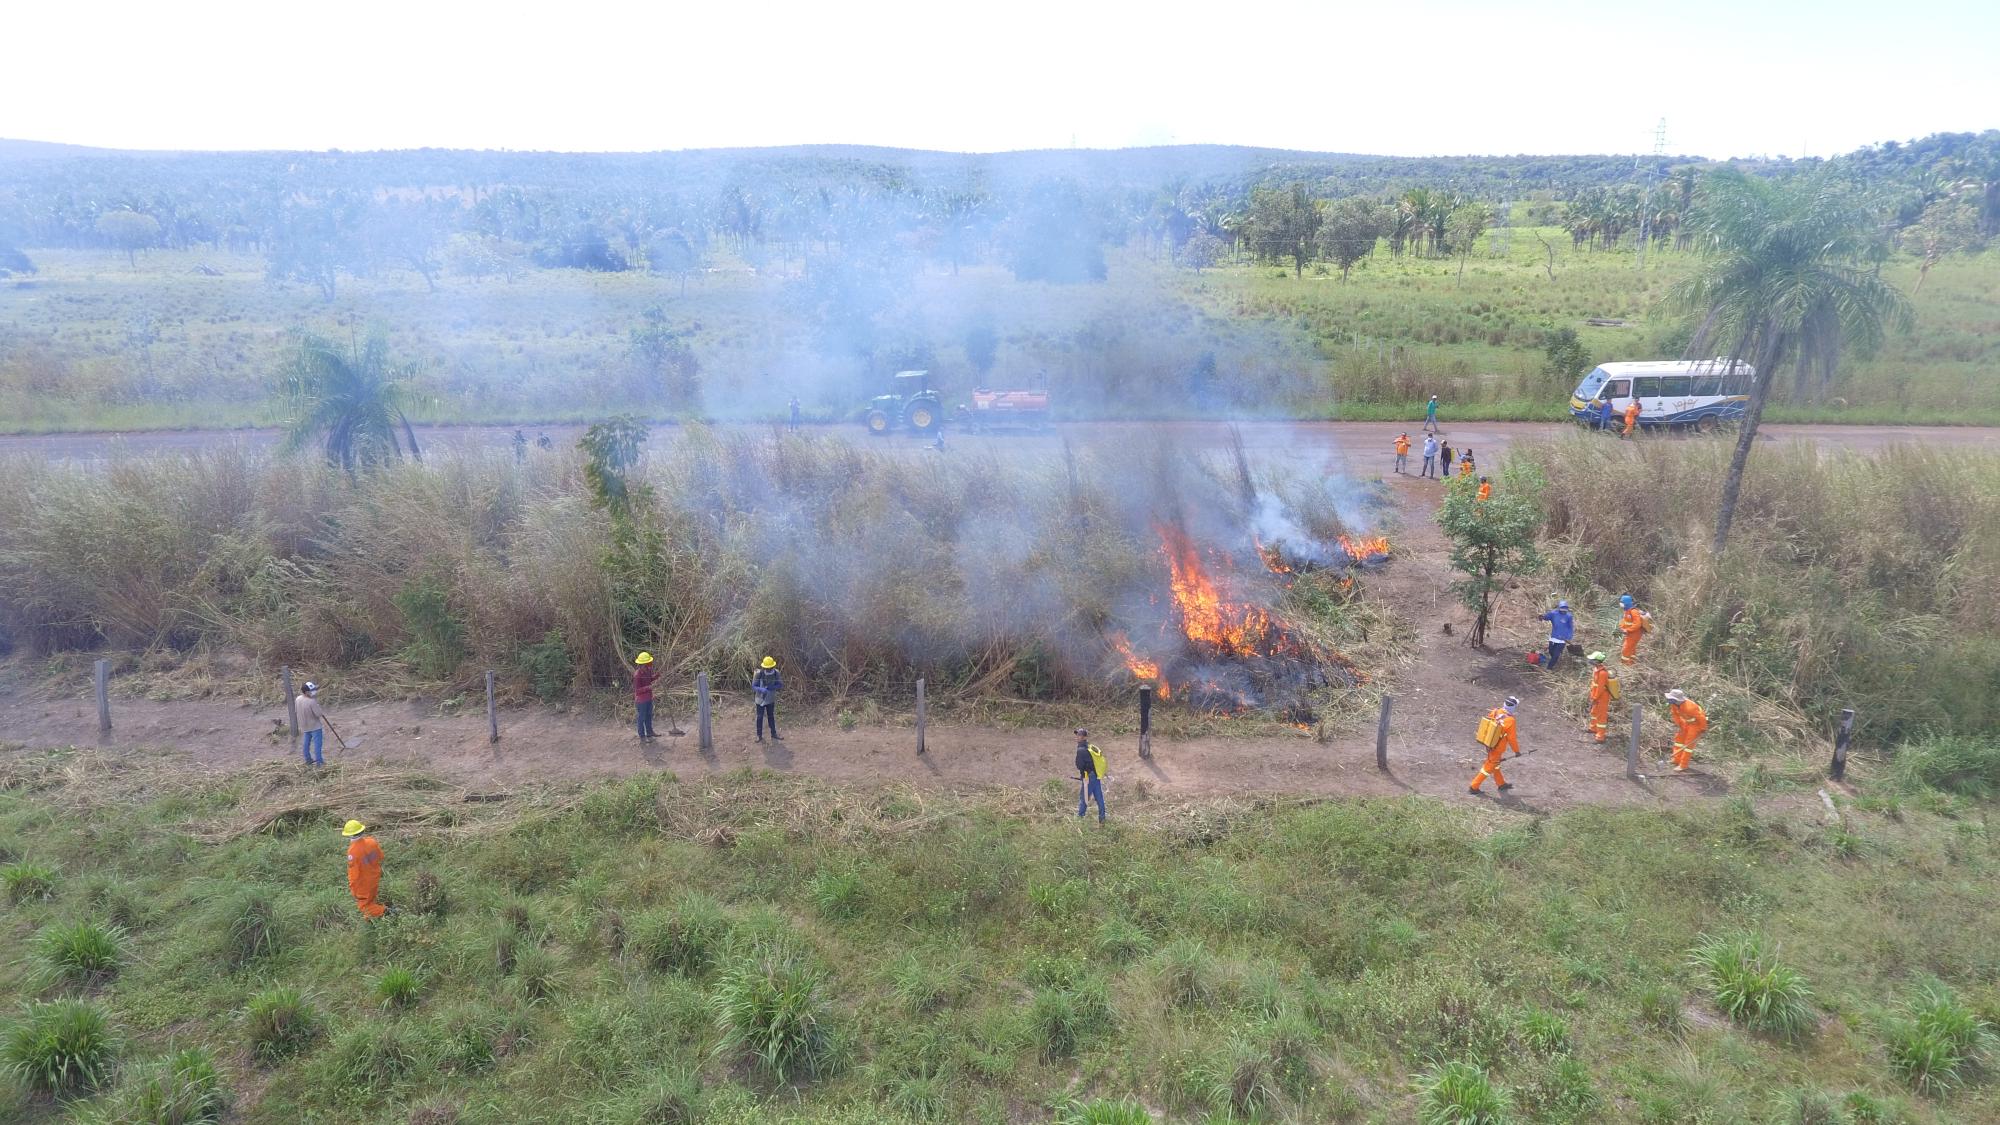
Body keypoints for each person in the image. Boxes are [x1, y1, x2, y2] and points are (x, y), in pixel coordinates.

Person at [1469, 696, 1521, 794]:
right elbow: (1512, 738)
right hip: (1498, 748)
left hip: (1489, 744)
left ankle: (1501, 784)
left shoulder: (1496, 711)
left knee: (1495, 764)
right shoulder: (1511, 720)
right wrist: (1516, 751)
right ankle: (1473, 787)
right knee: (1488, 768)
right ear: (1513, 707)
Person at [343, 819, 387, 919]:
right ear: (362, 831)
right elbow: (381, 856)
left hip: (363, 883)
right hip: (374, 877)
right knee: (371, 900)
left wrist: (353, 889)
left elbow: (354, 874)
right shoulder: (371, 841)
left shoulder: (353, 851)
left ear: (349, 835)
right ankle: (372, 920)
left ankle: (387, 911)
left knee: (365, 907)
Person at [1665, 689, 1708, 772]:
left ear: (1677, 700)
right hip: (1685, 723)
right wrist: (1680, 724)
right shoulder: (1674, 705)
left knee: (1688, 746)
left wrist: (1703, 729)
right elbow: (1675, 714)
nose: (1669, 700)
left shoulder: (1690, 707)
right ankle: (1676, 759)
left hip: (1695, 725)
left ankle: (1683, 765)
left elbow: (1701, 718)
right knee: (1678, 741)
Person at [1074, 728, 1108, 823]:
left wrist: (1084, 775)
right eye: (1077, 735)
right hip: (1095, 775)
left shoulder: (1081, 749)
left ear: (1084, 737)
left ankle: (1080, 819)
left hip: (1088, 777)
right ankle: (1102, 818)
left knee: (1084, 797)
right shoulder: (1089, 746)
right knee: (1099, 797)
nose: (1077, 737)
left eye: (1080, 735)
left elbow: (1079, 765)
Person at [296, 681, 329, 766]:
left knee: (306, 744)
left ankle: (308, 760)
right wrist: (316, 704)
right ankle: (319, 762)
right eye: (312, 690)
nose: (314, 692)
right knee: (317, 745)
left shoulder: (298, 699)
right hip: (315, 726)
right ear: (306, 692)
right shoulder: (311, 701)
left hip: (304, 726)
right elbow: (318, 714)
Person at [752, 656, 783, 742]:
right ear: (763, 667)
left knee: (771, 716)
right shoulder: (759, 673)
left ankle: (774, 734)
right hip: (760, 699)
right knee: (759, 717)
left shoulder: (776, 673)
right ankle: (759, 736)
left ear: (773, 666)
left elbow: (780, 685)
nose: (768, 669)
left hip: (770, 698)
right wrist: (761, 689)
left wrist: (772, 687)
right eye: (767, 668)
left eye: (770, 668)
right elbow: (754, 686)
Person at [1584, 652, 1612, 743]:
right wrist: (1593, 696)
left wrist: (1595, 697)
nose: (1590, 661)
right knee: (1594, 712)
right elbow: (1594, 685)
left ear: (1597, 661)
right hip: (1596, 696)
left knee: (1601, 716)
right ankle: (1593, 728)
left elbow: (1600, 688)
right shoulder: (1596, 670)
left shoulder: (1603, 673)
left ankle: (1600, 737)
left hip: (1602, 697)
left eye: (1592, 659)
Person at [1539, 600, 1574, 669]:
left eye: (1565, 609)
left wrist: (1569, 637)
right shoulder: (1553, 613)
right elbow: (1546, 617)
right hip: (1554, 637)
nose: (1564, 610)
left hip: (1563, 639)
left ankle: (1549, 668)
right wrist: (1542, 617)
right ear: (1559, 608)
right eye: (1562, 608)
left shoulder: (1569, 616)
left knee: (1556, 655)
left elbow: (1570, 627)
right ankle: (1554, 660)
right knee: (1551, 651)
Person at [632, 652, 658, 743]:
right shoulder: (637, 675)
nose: (649, 665)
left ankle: (650, 733)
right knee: (641, 718)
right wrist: (648, 687)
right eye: (647, 663)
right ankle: (642, 737)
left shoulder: (647, 670)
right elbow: (637, 690)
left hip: (648, 698)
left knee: (649, 716)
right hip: (641, 700)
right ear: (642, 664)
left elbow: (650, 679)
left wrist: (656, 676)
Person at [1617, 594, 1650, 666]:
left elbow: (1637, 624)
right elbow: (1625, 621)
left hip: (1635, 634)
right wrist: (1621, 627)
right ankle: (1632, 663)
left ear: (1626, 603)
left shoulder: (1633, 611)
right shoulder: (1627, 611)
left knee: (1626, 649)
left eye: (1622, 602)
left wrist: (1628, 630)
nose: (1621, 604)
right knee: (1631, 648)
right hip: (1630, 633)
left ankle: (1625, 665)